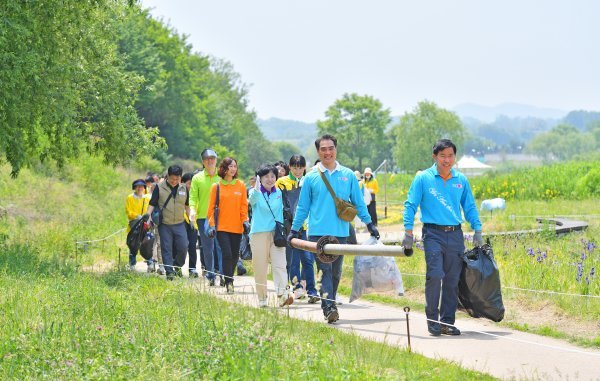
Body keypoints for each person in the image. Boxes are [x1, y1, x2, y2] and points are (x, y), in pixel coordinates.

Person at [288, 134, 379, 323]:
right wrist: (294, 230)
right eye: (323, 149)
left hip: (341, 232)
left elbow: (359, 203)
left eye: (330, 148)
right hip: (318, 234)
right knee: (325, 271)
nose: (327, 152)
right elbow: (303, 207)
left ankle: (330, 303)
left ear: (335, 149)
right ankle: (329, 307)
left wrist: (370, 224)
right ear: (318, 152)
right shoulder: (311, 177)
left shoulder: (348, 175)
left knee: (336, 272)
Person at [402, 139, 483, 337]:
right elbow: (410, 204)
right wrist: (408, 232)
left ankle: (447, 321)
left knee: (452, 280)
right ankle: (432, 320)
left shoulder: (461, 180)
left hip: (455, 234)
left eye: (450, 156)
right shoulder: (423, 178)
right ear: (435, 157)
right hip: (432, 234)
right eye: (442, 156)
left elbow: (469, 206)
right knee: (435, 275)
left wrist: (478, 229)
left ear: (455, 157)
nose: (447, 160)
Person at [276, 154, 318, 303]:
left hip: (305, 227)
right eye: (294, 167)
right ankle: (296, 287)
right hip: (288, 227)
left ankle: (312, 291)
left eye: (300, 168)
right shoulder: (281, 182)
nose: (297, 171)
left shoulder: (308, 181)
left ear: (304, 168)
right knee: (292, 260)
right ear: (289, 166)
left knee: (307, 260)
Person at [249, 164, 291, 308]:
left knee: (280, 265)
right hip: (259, 234)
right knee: (260, 267)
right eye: (266, 176)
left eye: (272, 176)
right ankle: (262, 298)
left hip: (277, 234)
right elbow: (252, 200)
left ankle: (283, 295)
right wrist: (256, 187)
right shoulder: (254, 193)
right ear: (260, 178)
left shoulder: (279, 193)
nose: (270, 179)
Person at [207, 157, 248, 294]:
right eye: (230, 166)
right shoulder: (216, 187)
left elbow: (243, 206)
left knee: (235, 256)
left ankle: (227, 276)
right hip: (221, 228)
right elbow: (211, 209)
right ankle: (229, 282)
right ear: (224, 168)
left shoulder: (241, 185)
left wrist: (245, 221)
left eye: (235, 166)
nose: (233, 169)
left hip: (237, 227)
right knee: (227, 254)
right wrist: (212, 225)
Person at [146, 165, 191, 280]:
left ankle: (176, 265)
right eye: (172, 179)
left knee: (183, 247)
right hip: (164, 224)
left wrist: (190, 218)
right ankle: (169, 272)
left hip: (180, 223)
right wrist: (147, 216)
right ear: (167, 176)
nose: (174, 181)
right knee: (166, 248)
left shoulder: (184, 188)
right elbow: (152, 203)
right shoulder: (159, 187)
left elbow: (187, 205)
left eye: (177, 179)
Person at [189, 149, 222, 286]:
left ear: (216, 160)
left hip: (221, 217)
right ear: (203, 161)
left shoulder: (221, 177)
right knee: (207, 248)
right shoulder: (197, 178)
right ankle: (210, 274)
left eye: (212, 158)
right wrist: (192, 210)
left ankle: (223, 274)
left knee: (220, 247)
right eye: (207, 159)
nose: (210, 161)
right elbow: (193, 197)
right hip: (203, 218)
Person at [125, 179, 153, 271]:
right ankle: (132, 264)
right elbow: (128, 211)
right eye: (137, 186)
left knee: (147, 243)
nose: (139, 188)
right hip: (134, 224)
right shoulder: (130, 198)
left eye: (141, 186)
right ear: (134, 188)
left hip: (145, 224)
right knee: (133, 244)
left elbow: (150, 210)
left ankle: (150, 264)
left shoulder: (147, 198)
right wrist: (137, 216)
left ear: (144, 188)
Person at [181, 172, 200, 278]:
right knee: (181, 245)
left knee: (192, 246)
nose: (191, 186)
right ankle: (177, 266)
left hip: (193, 223)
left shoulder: (196, 194)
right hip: (181, 222)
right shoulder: (179, 194)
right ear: (183, 183)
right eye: (189, 183)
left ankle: (192, 269)